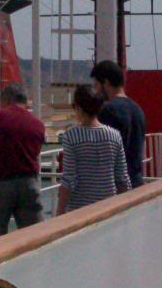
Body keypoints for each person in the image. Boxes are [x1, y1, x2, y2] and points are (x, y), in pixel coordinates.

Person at [0, 84, 46, 239]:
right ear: (25, 101)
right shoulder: (38, 125)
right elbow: (35, 153)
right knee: (33, 237)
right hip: (29, 185)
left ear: (7, 99)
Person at [56, 85, 131, 215]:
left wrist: (59, 213)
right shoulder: (114, 135)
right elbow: (122, 178)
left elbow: (69, 179)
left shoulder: (71, 136)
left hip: (79, 210)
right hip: (108, 208)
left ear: (79, 108)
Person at [93, 60, 147, 187]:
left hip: (116, 187)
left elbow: (102, 154)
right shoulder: (138, 109)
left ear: (105, 83)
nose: (95, 90)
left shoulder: (108, 110)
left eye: (96, 85)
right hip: (136, 182)